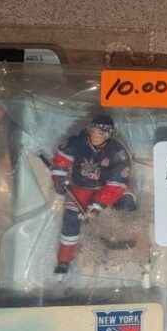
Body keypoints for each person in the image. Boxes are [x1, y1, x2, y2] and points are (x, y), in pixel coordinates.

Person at [49, 114, 133, 274]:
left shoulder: (117, 152)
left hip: (105, 189)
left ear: (108, 135)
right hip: (80, 189)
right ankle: (64, 260)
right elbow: (61, 159)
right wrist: (59, 178)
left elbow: (117, 183)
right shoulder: (77, 142)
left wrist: (98, 205)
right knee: (71, 220)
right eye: (93, 131)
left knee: (126, 204)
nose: (95, 135)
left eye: (100, 133)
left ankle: (120, 245)